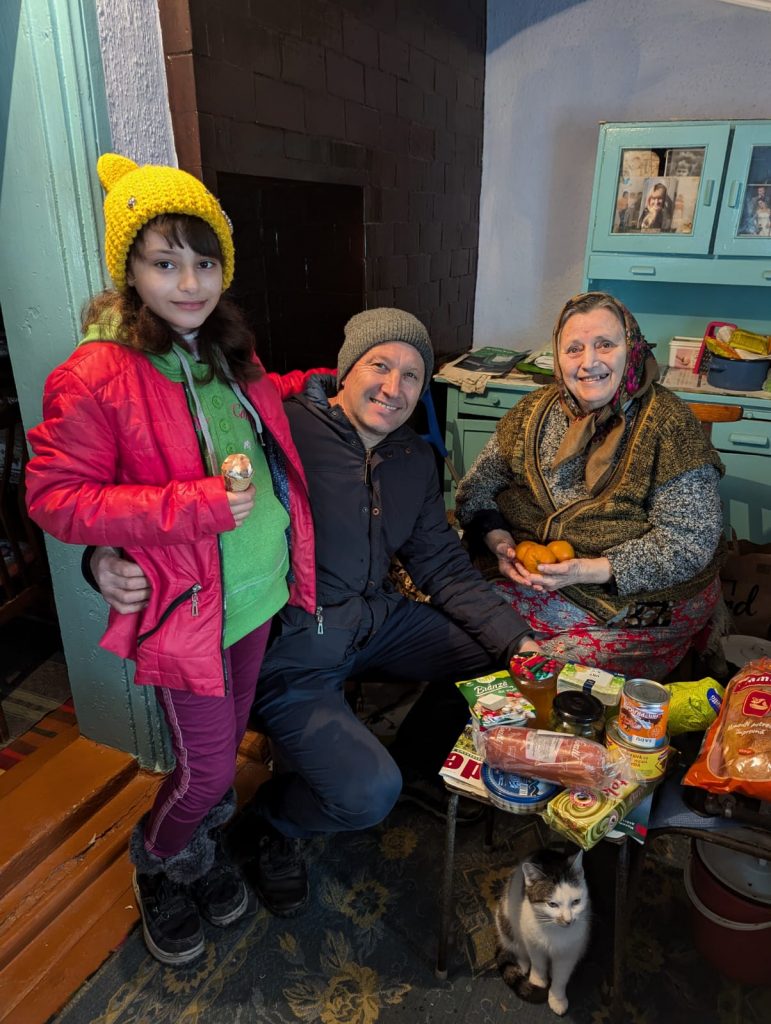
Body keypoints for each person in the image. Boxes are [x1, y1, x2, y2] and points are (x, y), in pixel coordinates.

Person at [90, 307, 540, 918]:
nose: (394, 386)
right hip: (292, 648)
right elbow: (170, 479)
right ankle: (273, 822)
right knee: (365, 793)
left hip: (375, 621)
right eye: (379, 365)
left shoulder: (413, 459)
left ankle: (408, 766)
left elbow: (444, 566)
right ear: (346, 368)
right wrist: (103, 556)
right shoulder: (283, 428)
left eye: (412, 375)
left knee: (491, 663)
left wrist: (520, 644)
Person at [25, 154, 320, 966]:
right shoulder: (95, 374)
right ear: (131, 269)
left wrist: (314, 383)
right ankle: (158, 860)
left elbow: (248, 412)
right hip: (188, 609)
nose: (190, 282)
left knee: (219, 760)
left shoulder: (226, 346)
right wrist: (187, 506)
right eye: (165, 262)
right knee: (206, 771)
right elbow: (55, 496)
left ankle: (198, 848)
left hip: (254, 596)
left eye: (205, 260)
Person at [455, 291, 725, 679]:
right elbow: (476, 489)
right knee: (468, 623)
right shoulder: (532, 412)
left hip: (643, 600)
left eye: (605, 345)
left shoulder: (670, 426)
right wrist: (500, 543)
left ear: (631, 349)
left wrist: (585, 570)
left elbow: (688, 542)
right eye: (574, 349)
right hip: (535, 577)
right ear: (557, 356)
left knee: (543, 662)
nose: (589, 363)